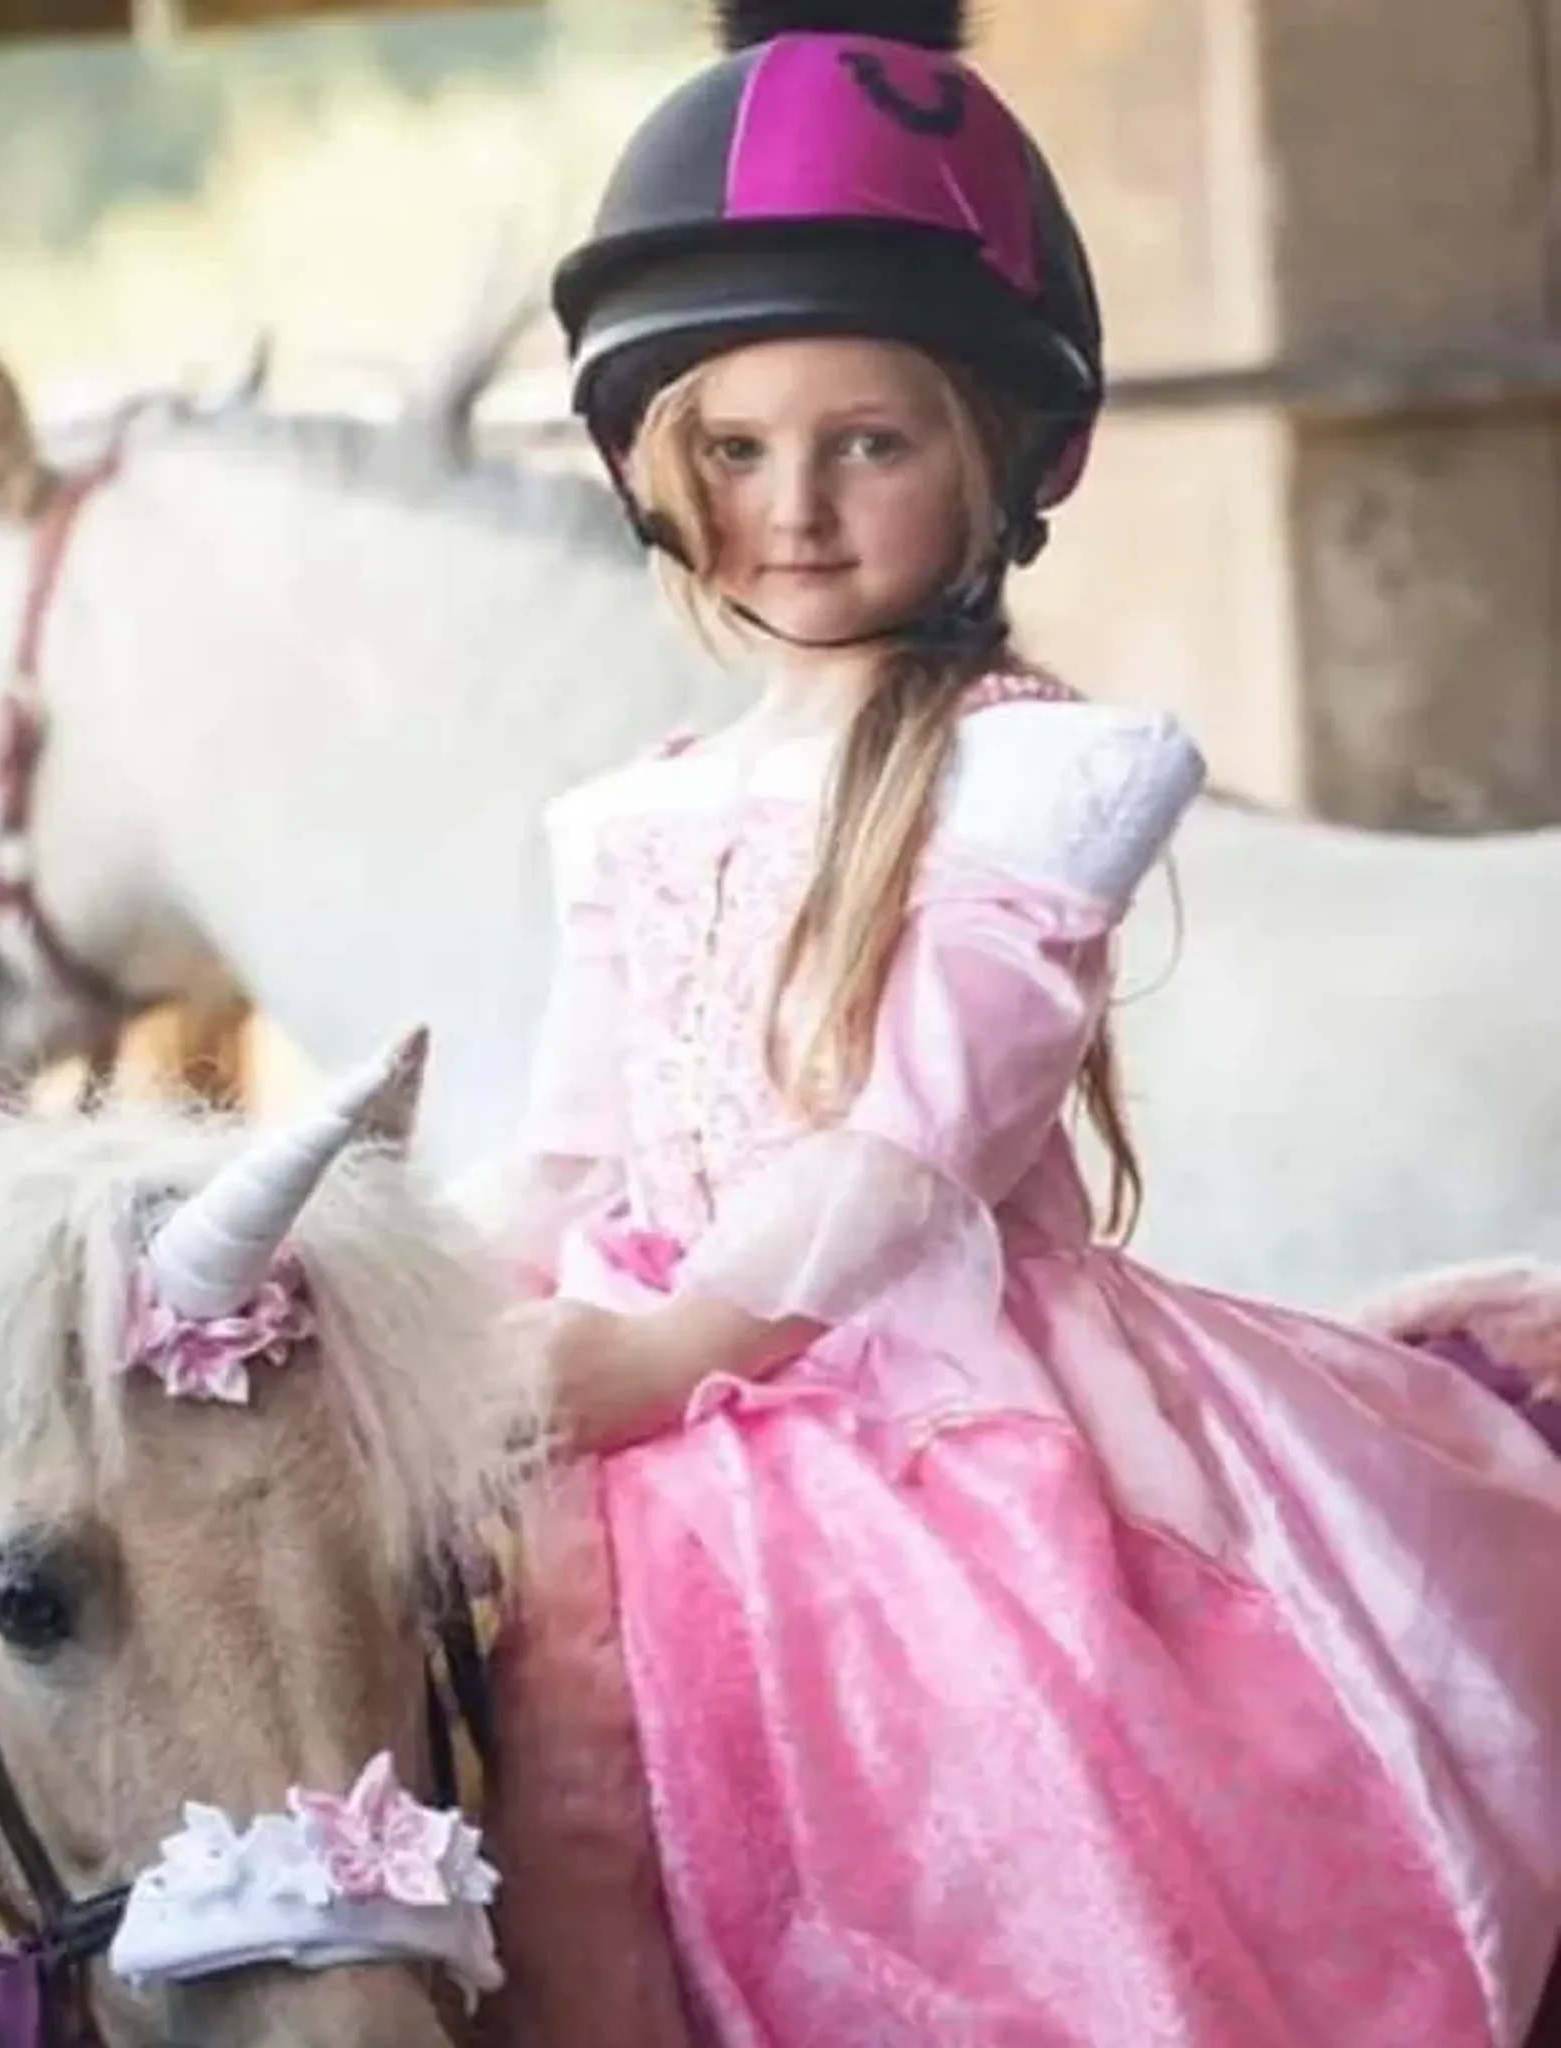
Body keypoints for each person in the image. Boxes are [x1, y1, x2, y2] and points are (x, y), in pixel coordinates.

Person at [480, 4, 1561, 2042]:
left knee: (984, 1800)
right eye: (734, 450)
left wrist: (673, 1352)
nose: (796, 507)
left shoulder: (1033, 778)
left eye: (869, 444)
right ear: (653, 470)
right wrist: (406, 1323)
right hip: (644, 1365)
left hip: (914, 1403)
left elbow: (911, 1147)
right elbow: (561, 1150)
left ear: (996, 458)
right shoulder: (628, 814)